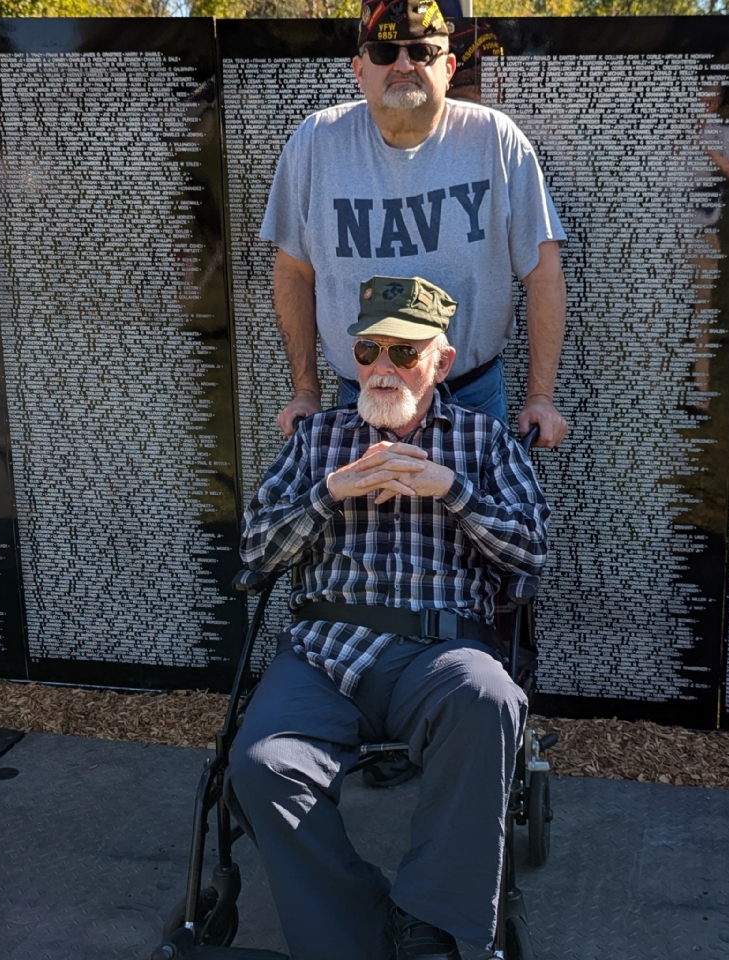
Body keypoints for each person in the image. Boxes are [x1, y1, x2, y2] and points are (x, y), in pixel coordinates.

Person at [229, 275, 550, 960]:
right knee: (261, 764)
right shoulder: (318, 440)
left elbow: (530, 556)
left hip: (440, 647)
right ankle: (358, 930)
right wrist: (330, 492)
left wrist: (454, 492)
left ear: (442, 362)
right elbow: (253, 556)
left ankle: (432, 924)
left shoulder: (484, 440)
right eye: (368, 350)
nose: (381, 367)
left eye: (405, 352)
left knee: (489, 699)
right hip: (324, 648)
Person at [262, 0, 570, 449]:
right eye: (385, 52)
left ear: (449, 67)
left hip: (472, 399)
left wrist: (541, 396)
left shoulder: (497, 141)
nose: (403, 65)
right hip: (362, 399)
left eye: (421, 52)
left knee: (481, 500)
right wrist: (306, 390)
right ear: (359, 69)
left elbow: (544, 274)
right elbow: (293, 271)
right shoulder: (315, 144)